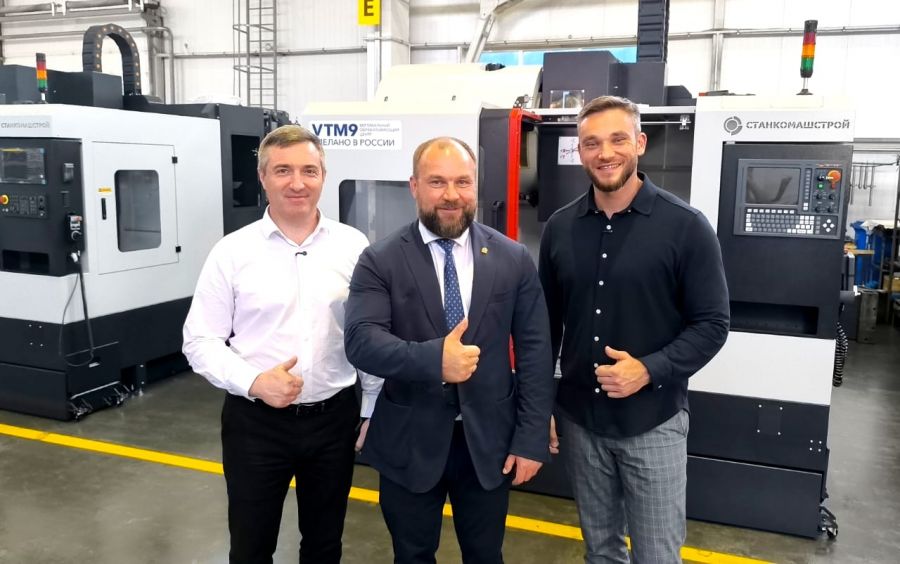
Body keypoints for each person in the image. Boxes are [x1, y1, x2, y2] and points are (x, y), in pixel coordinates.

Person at [344, 137, 554, 564]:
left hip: (488, 443)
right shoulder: (380, 260)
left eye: (462, 181)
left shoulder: (512, 258)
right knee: (412, 554)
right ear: (414, 186)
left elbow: (535, 351)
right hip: (409, 441)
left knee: (485, 555)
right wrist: (433, 360)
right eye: (437, 182)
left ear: (475, 185)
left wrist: (531, 438)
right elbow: (362, 340)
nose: (451, 195)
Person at [539, 96, 730, 563]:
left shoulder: (686, 227)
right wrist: (540, 405)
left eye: (617, 139)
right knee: (600, 551)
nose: (605, 153)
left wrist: (648, 369)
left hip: (653, 422)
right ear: (580, 151)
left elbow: (713, 324)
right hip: (580, 422)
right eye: (592, 143)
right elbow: (545, 328)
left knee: (657, 555)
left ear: (640, 143)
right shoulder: (560, 229)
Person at [182, 125, 382, 564]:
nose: (297, 183)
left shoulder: (354, 247)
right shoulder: (232, 252)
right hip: (256, 425)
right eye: (283, 170)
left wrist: (370, 405)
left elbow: (367, 333)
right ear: (263, 177)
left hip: (334, 421)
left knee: (325, 544)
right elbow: (199, 339)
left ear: (323, 176)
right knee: (251, 546)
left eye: (309, 170)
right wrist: (254, 381)